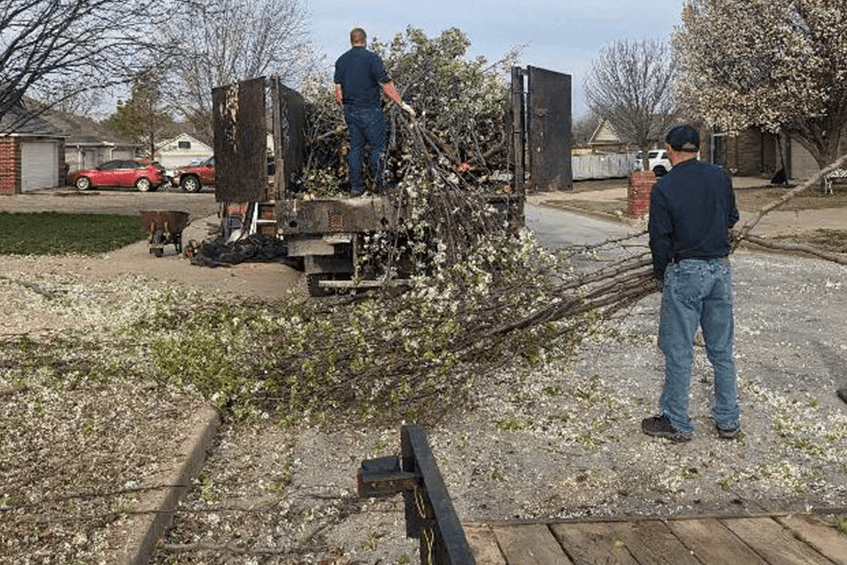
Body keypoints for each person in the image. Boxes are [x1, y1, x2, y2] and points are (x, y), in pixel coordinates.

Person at [642, 124, 741, 442]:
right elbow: (731, 218)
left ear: (670, 150)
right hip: (719, 271)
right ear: (697, 149)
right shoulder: (719, 176)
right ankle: (727, 420)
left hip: (686, 271)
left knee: (679, 349)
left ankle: (676, 421)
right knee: (722, 349)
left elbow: (659, 239)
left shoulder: (664, 187)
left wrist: (661, 274)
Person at [334, 27, 415, 196]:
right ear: (365, 39)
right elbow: (385, 83)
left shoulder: (341, 61)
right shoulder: (372, 59)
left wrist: (350, 107)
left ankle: (356, 187)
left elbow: (338, 95)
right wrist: (401, 104)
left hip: (350, 111)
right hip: (370, 109)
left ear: (351, 40)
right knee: (378, 146)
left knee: (355, 147)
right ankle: (380, 184)